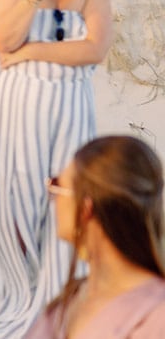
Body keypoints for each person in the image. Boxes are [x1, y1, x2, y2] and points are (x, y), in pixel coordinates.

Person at [0, 0, 118, 338]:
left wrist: (30, 53)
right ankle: (22, 298)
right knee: (16, 198)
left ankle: (58, 298)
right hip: (14, 107)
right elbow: (4, 39)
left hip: (70, 107)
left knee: (68, 197)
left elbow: (94, 50)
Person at [27, 135, 165, 338]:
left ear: (86, 207)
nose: (52, 200)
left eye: (56, 185)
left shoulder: (155, 315)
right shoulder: (74, 297)